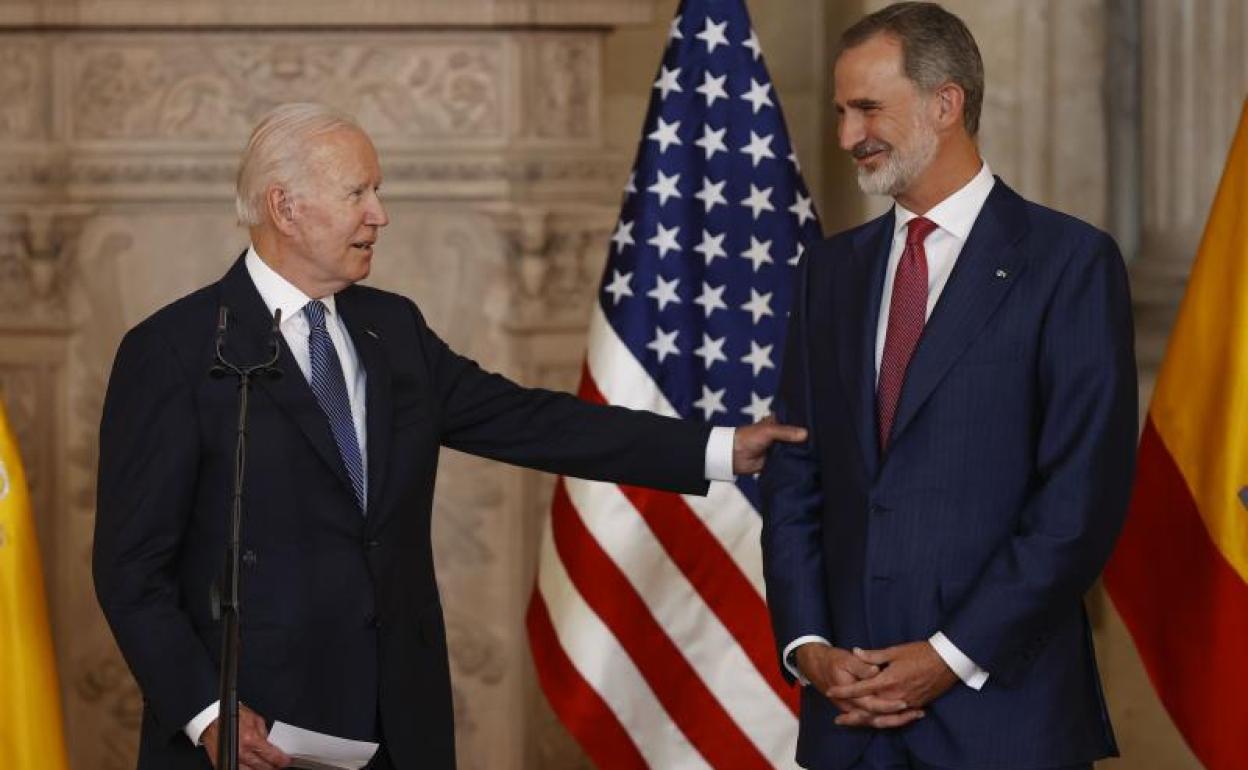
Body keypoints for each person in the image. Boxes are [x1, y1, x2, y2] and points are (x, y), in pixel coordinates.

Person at [93, 102, 805, 770]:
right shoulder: (177, 351)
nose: (381, 215)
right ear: (285, 205)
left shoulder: (391, 329)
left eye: (379, 191)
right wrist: (205, 710)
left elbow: (531, 420)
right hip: (255, 730)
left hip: (399, 723)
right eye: (358, 194)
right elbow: (131, 571)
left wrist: (718, 448)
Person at [760, 3, 1137, 769]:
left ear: (947, 102)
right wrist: (809, 648)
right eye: (840, 111)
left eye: (867, 108)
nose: (845, 136)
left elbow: (1078, 504)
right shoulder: (830, 273)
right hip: (851, 720)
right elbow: (797, 475)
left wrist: (949, 654)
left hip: (1004, 719)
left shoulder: (1069, 263)